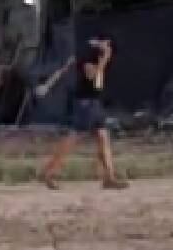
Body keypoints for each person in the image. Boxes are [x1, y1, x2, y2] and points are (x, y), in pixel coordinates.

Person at [39, 38, 128, 190]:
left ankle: (109, 177)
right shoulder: (88, 60)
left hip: (95, 103)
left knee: (103, 138)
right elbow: (92, 75)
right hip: (85, 105)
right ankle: (49, 172)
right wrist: (105, 59)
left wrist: (105, 58)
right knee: (73, 139)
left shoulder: (94, 58)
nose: (107, 47)